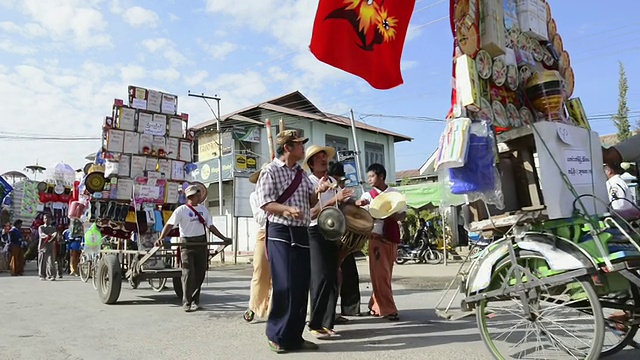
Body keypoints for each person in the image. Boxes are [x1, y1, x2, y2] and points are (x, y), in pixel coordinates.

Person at [256, 129, 331, 353]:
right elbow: (266, 203)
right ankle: (276, 335)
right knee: (285, 285)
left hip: (301, 231)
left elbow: (309, 201)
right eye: (299, 144)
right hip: (279, 230)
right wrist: (286, 209)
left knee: (300, 285)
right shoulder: (270, 171)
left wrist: (319, 190)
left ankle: (294, 337)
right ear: (288, 148)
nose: (303, 148)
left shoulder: (301, 173)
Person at [154, 185, 232, 312]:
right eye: (196, 195)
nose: (197, 197)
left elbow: (210, 226)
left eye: (198, 195)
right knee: (188, 273)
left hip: (201, 243)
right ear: (190, 197)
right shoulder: (181, 210)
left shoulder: (203, 210)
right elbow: (169, 225)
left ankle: (196, 301)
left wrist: (223, 238)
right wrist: (161, 237)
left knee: (200, 272)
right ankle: (187, 302)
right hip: (187, 244)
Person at [304, 145, 354, 339]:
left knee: (333, 276)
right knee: (320, 276)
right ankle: (314, 323)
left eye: (325, 157)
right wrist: (333, 199)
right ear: (311, 163)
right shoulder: (308, 183)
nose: (324, 160)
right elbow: (310, 213)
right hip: (315, 231)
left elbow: (340, 203)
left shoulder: (333, 180)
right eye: (319, 158)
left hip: (333, 230)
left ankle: (327, 322)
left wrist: (352, 203)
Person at [359, 163, 406, 321]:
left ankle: (375, 306)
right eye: (369, 176)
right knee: (380, 275)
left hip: (391, 237)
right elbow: (361, 216)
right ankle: (388, 309)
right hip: (376, 237)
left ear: (381, 177)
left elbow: (403, 214)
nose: (369, 179)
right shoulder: (367, 196)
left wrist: (393, 215)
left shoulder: (394, 193)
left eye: (372, 176)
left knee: (385, 275)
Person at [327, 162, 366, 321]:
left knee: (349, 273)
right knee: (332, 276)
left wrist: (356, 203)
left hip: (343, 235)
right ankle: (328, 314)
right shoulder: (324, 188)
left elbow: (349, 201)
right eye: (337, 178)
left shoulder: (340, 188)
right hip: (328, 234)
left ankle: (350, 309)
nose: (339, 182)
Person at [243, 163, 271, 322]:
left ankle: (273, 309)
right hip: (264, 233)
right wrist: (273, 206)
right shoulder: (255, 196)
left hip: (282, 232)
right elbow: (259, 217)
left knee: (278, 275)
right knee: (260, 271)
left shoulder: (280, 191)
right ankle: (254, 305)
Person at [38, 214, 57, 281]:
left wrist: (53, 236)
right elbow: (41, 235)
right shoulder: (41, 227)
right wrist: (47, 236)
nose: (47, 220)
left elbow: (55, 235)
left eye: (48, 218)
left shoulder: (53, 228)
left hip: (50, 247)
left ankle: (52, 275)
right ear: (43, 219)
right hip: (42, 247)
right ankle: (42, 275)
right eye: (45, 218)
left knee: (51, 262)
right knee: (42, 262)